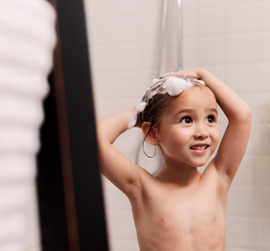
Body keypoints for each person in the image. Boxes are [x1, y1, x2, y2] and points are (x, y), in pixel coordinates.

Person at [96, 68, 252, 251]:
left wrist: (203, 75)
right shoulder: (142, 188)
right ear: (153, 134)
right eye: (187, 120)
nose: (202, 132)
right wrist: (137, 114)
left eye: (210, 118)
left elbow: (243, 116)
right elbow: (95, 140)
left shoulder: (217, 179)